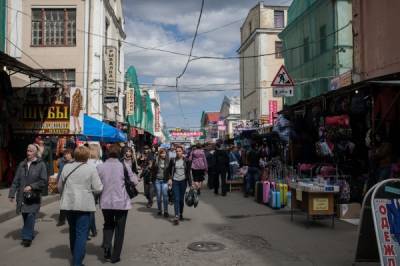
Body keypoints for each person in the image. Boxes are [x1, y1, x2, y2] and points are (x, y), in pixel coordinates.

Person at [58, 146, 103, 266]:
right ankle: (77, 262)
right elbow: (98, 188)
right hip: (84, 204)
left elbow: (59, 187)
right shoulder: (90, 169)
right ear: (87, 156)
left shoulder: (67, 167)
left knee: (73, 231)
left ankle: (75, 255)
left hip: (68, 203)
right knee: (81, 234)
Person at [97, 144, 139, 263]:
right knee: (120, 229)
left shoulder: (100, 167)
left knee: (108, 224)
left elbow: (96, 184)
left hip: (105, 202)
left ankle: (106, 247)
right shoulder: (124, 166)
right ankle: (115, 256)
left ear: (108, 153)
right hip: (121, 202)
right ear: (119, 153)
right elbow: (134, 181)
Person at [8, 144, 47, 247]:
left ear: (35, 152)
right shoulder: (22, 164)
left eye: (30, 151)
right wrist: (12, 193)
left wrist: (32, 186)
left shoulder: (41, 164)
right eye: (27, 150)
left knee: (30, 215)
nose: (28, 152)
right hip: (22, 196)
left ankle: (27, 237)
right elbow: (16, 180)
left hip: (33, 196)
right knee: (25, 215)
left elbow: (43, 181)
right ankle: (29, 233)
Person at [167, 146, 192, 225]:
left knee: (181, 200)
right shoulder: (173, 160)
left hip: (183, 182)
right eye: (177, 151)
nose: (178, 152)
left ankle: (181, 213)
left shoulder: (187, 161)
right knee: (176, 199)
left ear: (182, 152)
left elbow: (188, 173)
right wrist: (170, 178)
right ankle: (176, 216)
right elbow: (169, 171)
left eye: (179, 151)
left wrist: (190, 184)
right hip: (175, 182)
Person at [87, 144, 103, 240]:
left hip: (88, 188)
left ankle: (92, 229)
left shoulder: (86, 162)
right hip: (97, 188)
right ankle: (92, 229)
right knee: (91, 210)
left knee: (90, 210)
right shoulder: (100, 162)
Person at [56, 149, 74, 227]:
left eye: (67, 154)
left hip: (71, 185)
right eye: (65, 154)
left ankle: (72, 217)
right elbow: (60, 173)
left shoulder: (75, 163)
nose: (65, 155)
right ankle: (62, 219)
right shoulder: (62, 163)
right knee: (63, 202)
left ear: (71, 154)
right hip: (63, 184)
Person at [151, 148, 170, 217]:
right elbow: (152, 170)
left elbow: (171, 171)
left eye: (164, 153)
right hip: (157, 180)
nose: (163, 154)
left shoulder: (169, 161)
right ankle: (159, 210)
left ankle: (166, 211)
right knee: (158, 196)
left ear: (166, 154)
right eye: (161, 153)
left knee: (165, 196)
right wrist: (152, 179)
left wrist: (170, 179)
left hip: (165, 181)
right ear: (159, 154)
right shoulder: (156, 160)